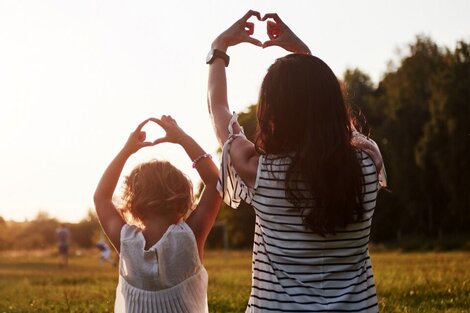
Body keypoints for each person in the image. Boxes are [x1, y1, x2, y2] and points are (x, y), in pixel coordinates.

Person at [207, 10, 386, 312]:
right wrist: (304, 56)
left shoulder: (259, 171)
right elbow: (343, 126)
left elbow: (218, 108)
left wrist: (219, 48)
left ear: (272, 112)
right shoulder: (368, 164)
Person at [93, 116, 221, 313]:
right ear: (183, 201)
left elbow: (101, 198)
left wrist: (127, 151)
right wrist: (181, 137)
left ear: (133, 204)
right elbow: (214, 181)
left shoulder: (126, 241)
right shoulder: (190, 237)